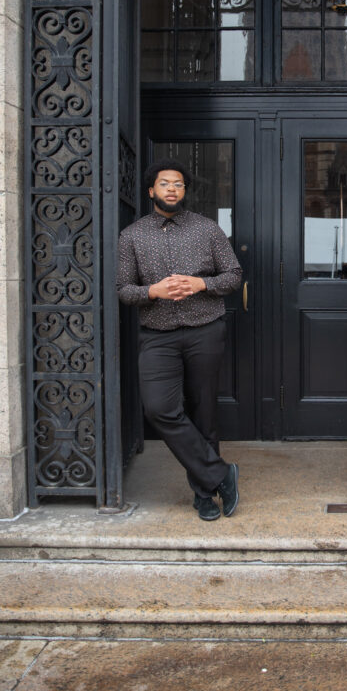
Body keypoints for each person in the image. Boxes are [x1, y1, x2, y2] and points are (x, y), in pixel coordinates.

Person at [116, 159, 242, 522]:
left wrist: (202, 283)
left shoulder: (207, 229)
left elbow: (234, 275)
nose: (172, 189)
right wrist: (152, 291)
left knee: (204, 413)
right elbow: (123, 289)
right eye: (164, 183)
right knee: (159, 408)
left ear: (184, 191)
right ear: (151, 190)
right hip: (157, 336)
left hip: (205, 330)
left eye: (178, 184)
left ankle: (204, 494)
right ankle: (220, 474)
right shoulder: (132, 236)